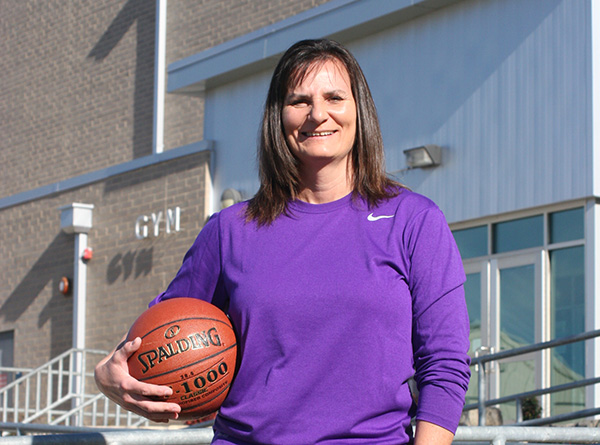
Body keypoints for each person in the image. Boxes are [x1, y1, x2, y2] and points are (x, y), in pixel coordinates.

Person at [95, 38, 471, 444]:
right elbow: (158, 334)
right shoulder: (230, 230)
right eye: (299, 101)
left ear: (359, 110)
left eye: (334, 98)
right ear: (278, 116)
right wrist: (108, 376)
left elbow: (445, 365)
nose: (318, 114)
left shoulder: (413, 221)